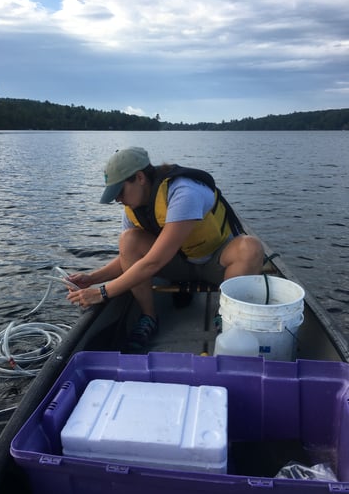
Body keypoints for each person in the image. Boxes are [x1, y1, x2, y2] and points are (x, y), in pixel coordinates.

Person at [67, 146, 264, 350]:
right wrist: (92, 278)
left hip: (218, 264)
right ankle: (149, 317)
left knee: (250, 247)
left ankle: (226, 315)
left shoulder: (184, 192)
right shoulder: (131, 208)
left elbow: (153, 262)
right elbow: (129, 257)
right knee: (129, 240)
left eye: (120, 191)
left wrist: (103, 292)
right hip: (178, 264)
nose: (117, 199)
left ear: (140, 177)